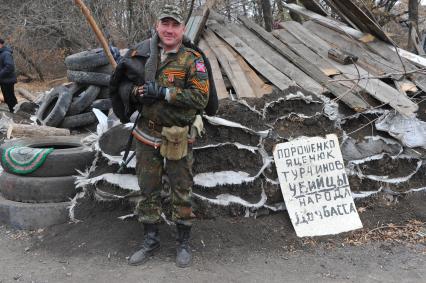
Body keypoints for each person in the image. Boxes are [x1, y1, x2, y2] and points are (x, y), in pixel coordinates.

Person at [117, 4, 210, 268]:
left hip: (177, 136)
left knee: (182, 189)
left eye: (175, 25)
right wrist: (136, 94)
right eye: (165, 24)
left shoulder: (192, 60)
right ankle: (151, 240)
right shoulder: (141, 56)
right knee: (148, 189)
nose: (169, 30)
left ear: (182, 29)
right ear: (157, 26)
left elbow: (201, 98)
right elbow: (124, 84)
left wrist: (165, 93)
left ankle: (182, 243)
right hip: (147, 135)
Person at [0, 38, 18, 113]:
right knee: (7, 98)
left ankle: (16, 112)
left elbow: (9, 67)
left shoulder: (6, 53)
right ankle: (13, 111)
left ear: (0, 44)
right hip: (3, 80)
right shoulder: (1, 53)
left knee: (10, 98)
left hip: (8, 80)